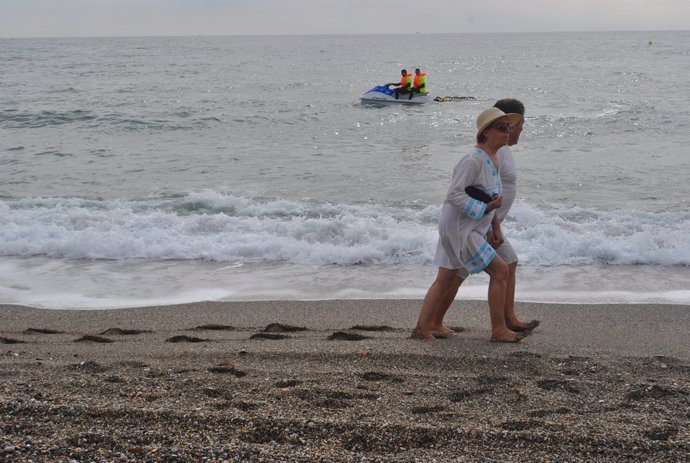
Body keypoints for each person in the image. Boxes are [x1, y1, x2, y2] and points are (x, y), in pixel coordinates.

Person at [420, 99, 540, 338]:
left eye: (510, 127)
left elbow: (493, 192)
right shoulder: (477, 158)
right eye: (504, 127)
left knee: (461, 273)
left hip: (481, 226)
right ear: (487, 131)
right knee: (463, 274)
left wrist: (493, 222)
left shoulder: (494, 156)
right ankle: (495, 328)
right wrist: (485, 213)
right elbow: (456, 194)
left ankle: (431, 325)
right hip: (467, 227)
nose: (513, 131)